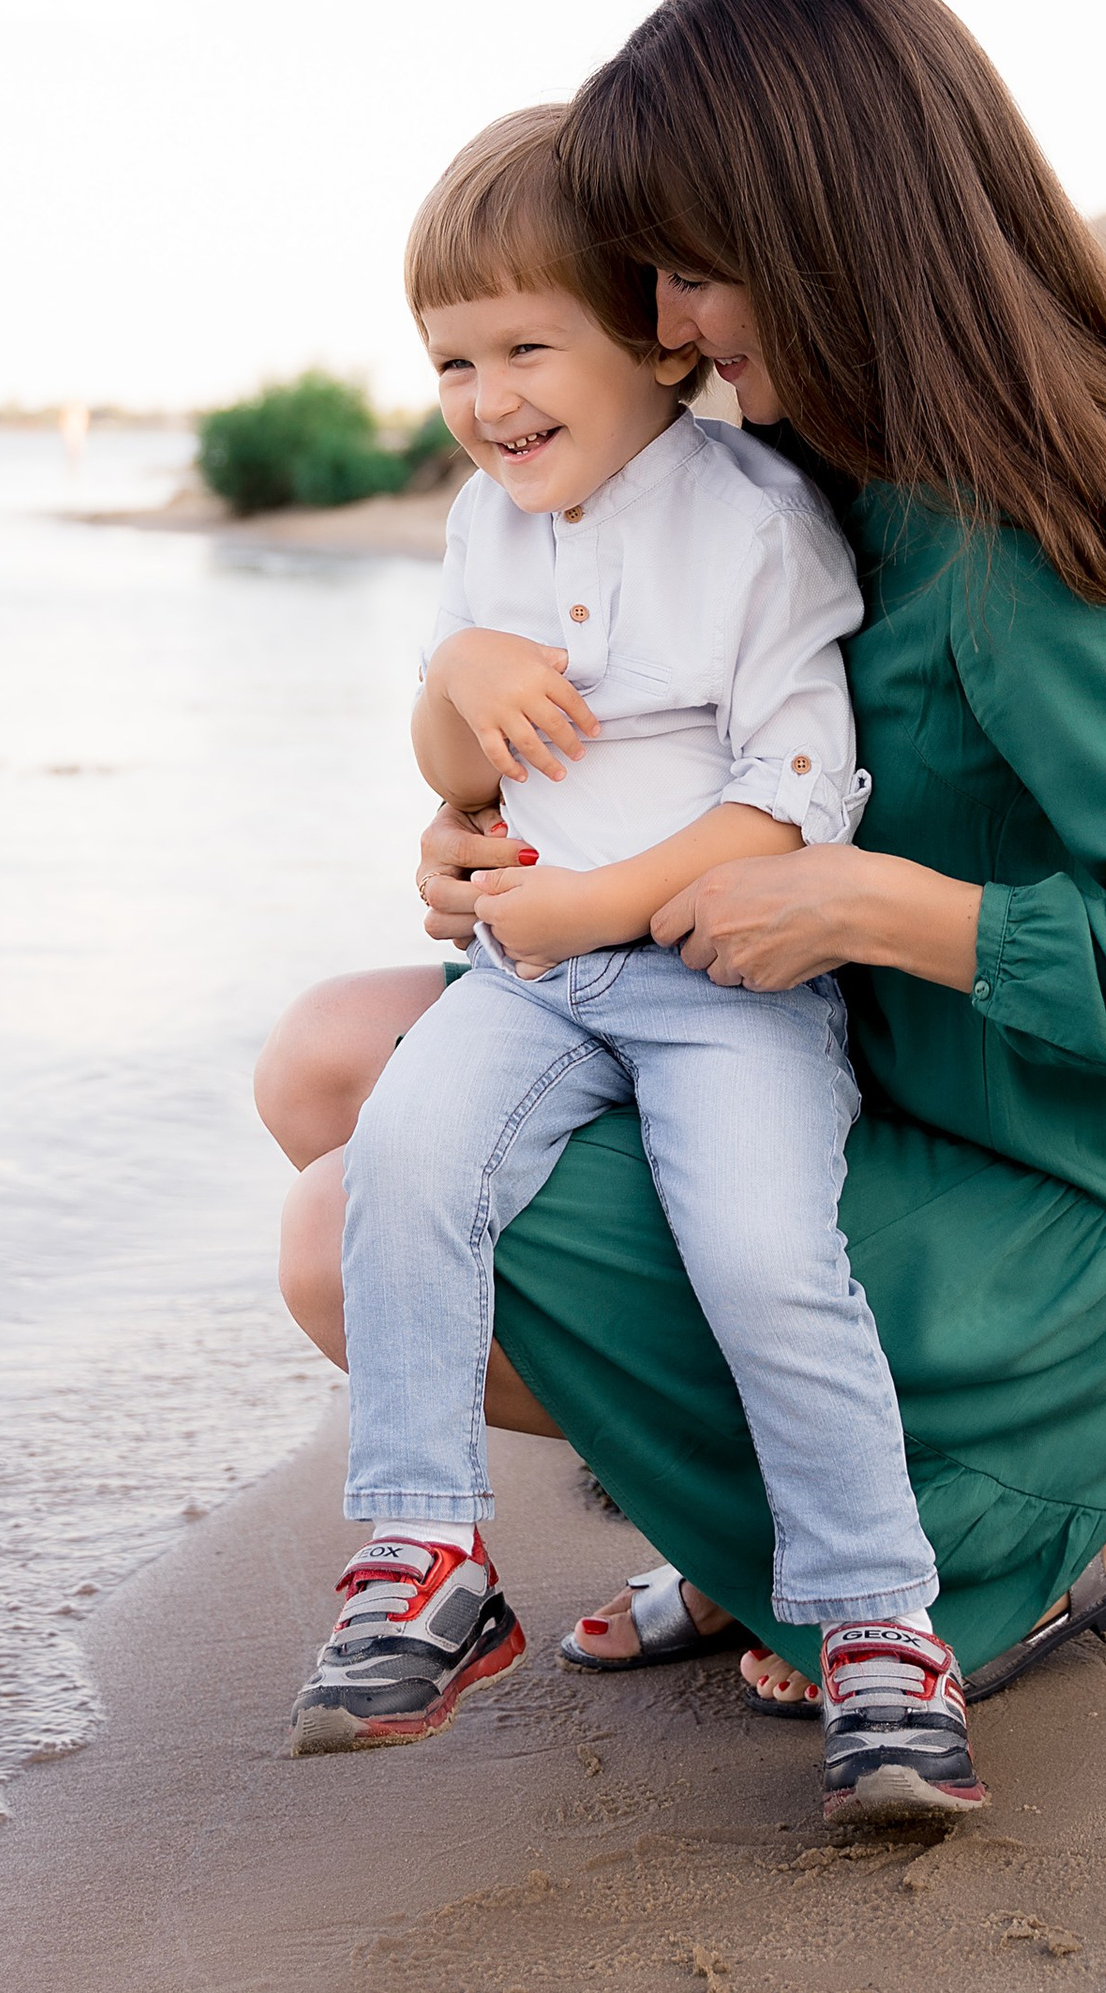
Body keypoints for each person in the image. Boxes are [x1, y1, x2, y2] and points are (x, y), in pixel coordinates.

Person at [259, 0, 1106, 1736]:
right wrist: (465, 824)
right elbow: (644, 714)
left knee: (333, 1234)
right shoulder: (821, 461)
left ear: (829, 227)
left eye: (694, 270)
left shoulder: (1039, 551)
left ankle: (1036, 1528)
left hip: (1065, 1220)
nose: (670, 323)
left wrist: (873, 902)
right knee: (325, 1065)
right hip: (871, 1086)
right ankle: (754, 1520)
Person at [288, 107, 986, 1818]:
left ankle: (880, 1624)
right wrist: (457, 664)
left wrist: (608, 908)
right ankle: (428, 1553)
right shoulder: (482, 527)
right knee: (404, 1161)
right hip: (527, 983)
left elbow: (802, 794)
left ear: (657, 353)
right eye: (451, 360)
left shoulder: (752, 521)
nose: (487, 398)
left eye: (529, 346)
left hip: (725, 986)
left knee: (759, 1255)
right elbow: (461, 775)